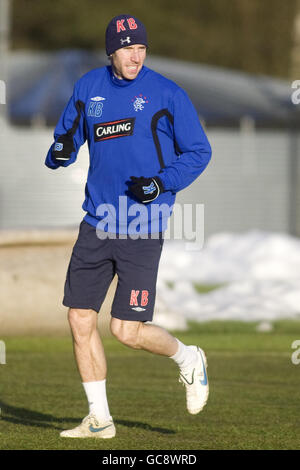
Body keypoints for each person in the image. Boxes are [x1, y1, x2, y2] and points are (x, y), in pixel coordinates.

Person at [45, 13, 212, 439]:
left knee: (126, 330)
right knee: (80, 319)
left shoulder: (167, 94)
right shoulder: (88, 88)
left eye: (141, 48)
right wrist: (61, 149)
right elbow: (62, 144)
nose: (135, 55)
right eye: (127, 48)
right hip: (96, 223)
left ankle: (189, 358)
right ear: (111, 52)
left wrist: (160, 183)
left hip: (142, 224)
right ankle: (99, 419)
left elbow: (198, 151)